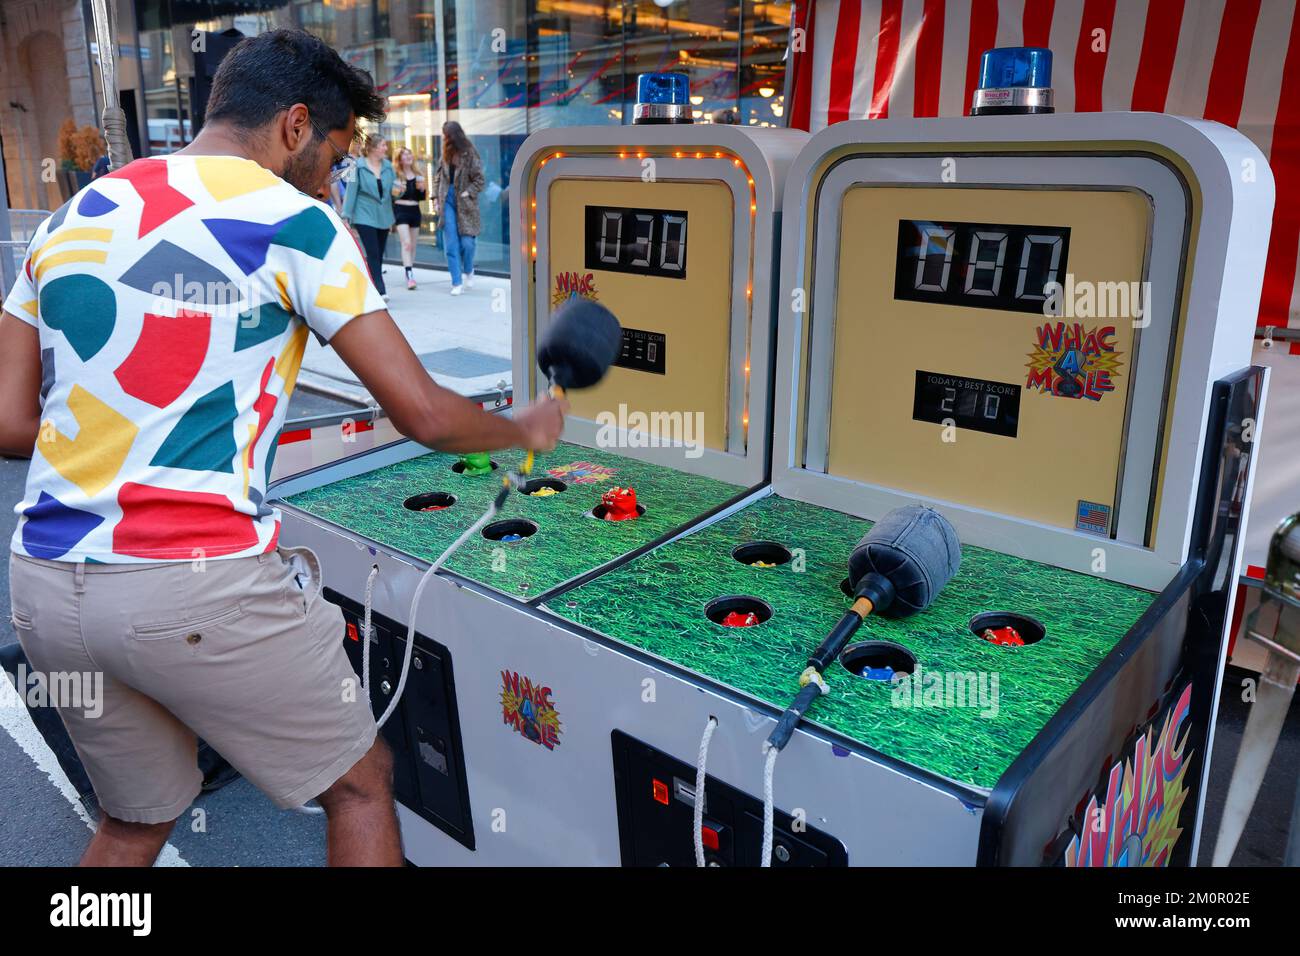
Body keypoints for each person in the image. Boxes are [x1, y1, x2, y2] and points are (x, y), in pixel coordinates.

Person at [0, 28, 566, 868]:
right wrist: (524, 429)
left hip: (45, 587)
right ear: (296, 126)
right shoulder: (295, 222)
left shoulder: (73, 213)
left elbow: (10, 422)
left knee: (135, 819)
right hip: (192, 584)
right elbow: (424, 414)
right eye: (336, 156)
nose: (335, 179)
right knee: (362, 782)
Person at [429, 121, 485, 295]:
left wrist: (468, 193)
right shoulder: (445, 153)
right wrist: (435, 199)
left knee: (468, 243)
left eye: (447, 135)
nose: (445, 138)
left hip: (465, 201)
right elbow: (438, 177)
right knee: (451, 243)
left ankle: (468, 269)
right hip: (447, 199)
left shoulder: (470, 152)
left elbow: (479, 180)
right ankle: (456, 281)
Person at [342, 133, 395, 296]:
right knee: (372, 252)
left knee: (378, 253)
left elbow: (392, 190)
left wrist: (400, 192)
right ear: (372, 148)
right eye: (383, 145)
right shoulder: (356, 165)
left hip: (384, 215)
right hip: (364, 214)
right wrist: (346, 216)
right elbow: (351, 192)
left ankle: (370, 285)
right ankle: (380, 289)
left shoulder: (388, 166)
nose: (386, 148)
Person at [391, 147, 426, 291]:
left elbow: (421, 198)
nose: (408, 156)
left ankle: (409, 270)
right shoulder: (396, 175)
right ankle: (409, 274)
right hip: (401, 210)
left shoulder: (419, 174)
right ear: (399, 159)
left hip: (415, 210)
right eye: (404, 154)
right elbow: (393, 197)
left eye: (409, 153)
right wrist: (398, 189)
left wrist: (422, 190)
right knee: (406, 243)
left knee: (413, 244)